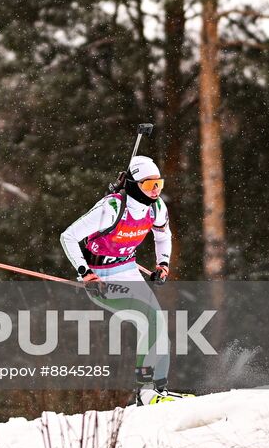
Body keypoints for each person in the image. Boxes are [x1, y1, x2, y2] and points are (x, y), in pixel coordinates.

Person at [60, 155, 184, 406]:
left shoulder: (157, 208)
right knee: (149, 319)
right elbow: (68, 237)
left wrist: (163, 264)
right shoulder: (112, 209)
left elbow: (163, 236)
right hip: (102, 278)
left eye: (159, 184)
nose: (156, 191)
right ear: (134, 184)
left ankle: (159, 388)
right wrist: (86, 273)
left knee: (159, 327)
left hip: (128, 270)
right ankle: (144, 390)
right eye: (150, 185)